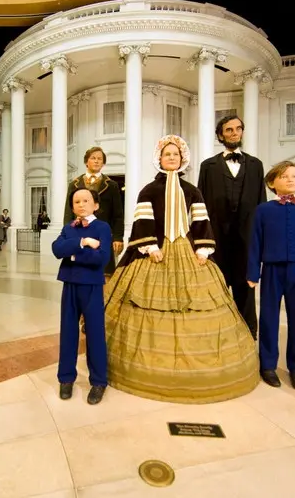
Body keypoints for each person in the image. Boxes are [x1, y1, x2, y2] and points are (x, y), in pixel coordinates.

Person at [105, 135, 259, 404]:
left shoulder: (192, 190)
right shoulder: (148, 190)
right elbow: (143, 220)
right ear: (159, 158)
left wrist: (202, 248)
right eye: (167, 154)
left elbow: (200, 218)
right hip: (157, 248)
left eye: (176, 154)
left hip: (185, 248)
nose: (172, 158)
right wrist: (151, 246)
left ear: (183, 158)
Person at [198, 115, 266, 340]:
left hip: (247, 240)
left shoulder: (256, 165)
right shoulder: (207, 166)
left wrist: (261, 240)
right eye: (229, 130)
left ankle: (248, 339)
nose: (234, 133)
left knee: (246, 290)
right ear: (220, 135)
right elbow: (200, 207)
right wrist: (200, 240)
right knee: (215, 290)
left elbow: (261, 204)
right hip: (216, 240)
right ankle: (215, 339)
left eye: (238, 129)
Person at [52, 188, 112, 404]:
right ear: (72, 206)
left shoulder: (102, 227)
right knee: (68, 332)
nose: (81, 204)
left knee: (95, 333)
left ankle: (98, 381)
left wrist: (73, 255)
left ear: (95, 204)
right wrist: (83, 243)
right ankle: (65, 378)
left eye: (86, 200)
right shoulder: (70, 227)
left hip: (92, 286)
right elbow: (57, 249)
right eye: (77, 201)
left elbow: (102, 258)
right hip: (70, 284)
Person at [247, 161, 295, 389]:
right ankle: (267, 364)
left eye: (294, 176)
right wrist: (253, 272)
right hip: (272, 271)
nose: (290, 179)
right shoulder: (263, 210)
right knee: (269, 318)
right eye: (285, 176)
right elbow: (255, 243)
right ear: (272, 182)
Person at [63, 146, 124, 276]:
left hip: (103, 234)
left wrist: (118, 237)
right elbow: (68, 211)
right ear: (86, 162)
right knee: (79, 271)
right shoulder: (74, 184)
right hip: (79, 232)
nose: (96, 161)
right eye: (93, 158)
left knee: (104, 274)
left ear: (103, 163)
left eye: (100, 159)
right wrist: (67, 234)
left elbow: (118, 214)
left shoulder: (111, 185)